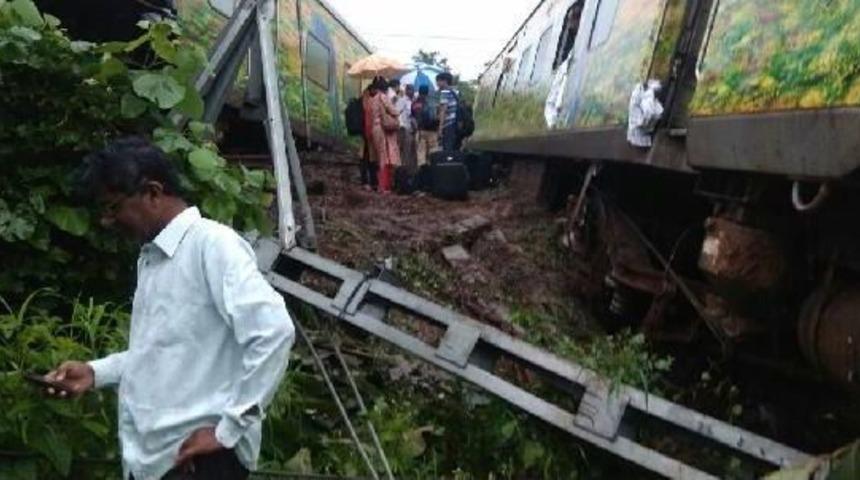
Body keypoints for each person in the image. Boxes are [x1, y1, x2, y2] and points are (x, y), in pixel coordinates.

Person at [43, 137, 296, 480]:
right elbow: (161, 351)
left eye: (114, 207)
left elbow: (273, 331)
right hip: (156, 462)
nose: (107, 221)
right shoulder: (152, 259)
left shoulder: (212, 245)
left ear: (152, 193)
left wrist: (228, 430)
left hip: (198, 463)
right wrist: (95, 372)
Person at [364, 76, 401, 193]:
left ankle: (381, 185)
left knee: (379, 156)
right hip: (384, 129)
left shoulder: (371, 99)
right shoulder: (383, 97)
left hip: (374, 129)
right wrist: (395, 105)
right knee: (386, 157)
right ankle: (384, 186)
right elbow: (394, 111)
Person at [412, 84, 439, 167]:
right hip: (433, 131)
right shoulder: (433, 102)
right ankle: (433, 173)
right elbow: (437, 115)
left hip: (421, 131)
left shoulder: (415, 103)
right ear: (427, 92)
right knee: (433, 153)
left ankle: (422, 173)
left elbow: (413, 117)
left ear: (419, 92)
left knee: (421, 154)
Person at [436, 72, 459, 152]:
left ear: (445, 81)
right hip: (456, 123)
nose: (437, 83)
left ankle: (447, 163)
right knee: (453, 148)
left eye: (438, 81)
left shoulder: (444, 92)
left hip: (448, 124)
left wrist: (440, 128)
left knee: (447, 148)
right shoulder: (455, 91)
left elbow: (443, 111)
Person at [395, 83, 416, 171]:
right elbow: (397, 113)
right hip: (405, 129)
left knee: (411, 152)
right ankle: (402, 171)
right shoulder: (401, 100)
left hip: (413, 130)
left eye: (412, 90)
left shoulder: (415, 101)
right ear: (406, 91)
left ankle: (410, 172)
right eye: (409, 90)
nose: (411, 91)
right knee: (404, 151)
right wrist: (401, 126)